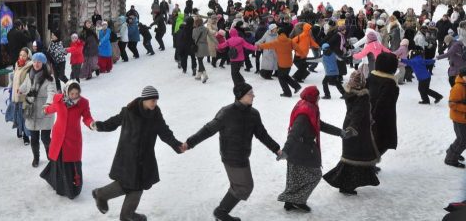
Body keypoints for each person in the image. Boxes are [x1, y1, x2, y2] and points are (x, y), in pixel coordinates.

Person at [184, 83, 281, 221]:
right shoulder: (226, 112)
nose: (253, 95)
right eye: (250, 93)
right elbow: (208, 129)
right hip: (230, 156)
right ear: (240, 95)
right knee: (244, 186)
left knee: (240, 185)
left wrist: (276, 149)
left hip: (243, 155)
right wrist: (190, 143)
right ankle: (221, 212)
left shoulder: (254, 114)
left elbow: (262, 134)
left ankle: (221, 212)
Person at [91, 86, 184, 221]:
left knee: (132, 184)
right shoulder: (129, 111)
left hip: (145, 157)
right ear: (144, 99)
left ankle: (102, 195)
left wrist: (176, 145)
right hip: (128, 156)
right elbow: (114, 122)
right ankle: (126, 214)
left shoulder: (155, 114)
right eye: (152, 100)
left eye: (156, 100)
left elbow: (164, 131)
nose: (154, 103)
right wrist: (99, 126)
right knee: (135, 185)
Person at [277, 86, 348, 212]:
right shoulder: (305, 113)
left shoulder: (307, 107)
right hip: (300, 150)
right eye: (317, 96)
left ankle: (290, 201)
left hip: (299, 150)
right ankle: (297, 200)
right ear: (313, 97)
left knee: (294, 178)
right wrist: (286, 150)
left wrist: (339, 132)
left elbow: (320, 124)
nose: (319, 98)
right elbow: (294, 133)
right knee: (315, 175)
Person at [323, 67, 380, 195]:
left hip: (352, 129)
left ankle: (347, 184)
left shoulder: (351, 94)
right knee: (353, 159)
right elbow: (357, 114)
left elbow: (358, 114)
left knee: (352, 158)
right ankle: (346, 185)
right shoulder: (362, 98)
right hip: (356, 132)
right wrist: (352, 129)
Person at [41, 80, 95, 198]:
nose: (75, 96)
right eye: (72, 94)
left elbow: (87, 117)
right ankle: (59, 185)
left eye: (77, 93)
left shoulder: (83, 103)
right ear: (66, 92)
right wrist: (46, 109)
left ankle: (71, 188)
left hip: (72, 138)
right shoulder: (59, 100)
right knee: (59, 160)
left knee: (71, 161)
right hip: (58, 136)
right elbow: (53, 108)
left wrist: (91, 124)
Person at [19, 52, 56, 168]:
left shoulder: (49, 77)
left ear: (43, 63)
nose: (36, 64)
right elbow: (25, 86)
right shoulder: (29, 74)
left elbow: (52, 92)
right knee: (34, 138)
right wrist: (20, 90)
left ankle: (51, 157)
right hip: (32, 110)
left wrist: (49, 103)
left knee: (45, 138)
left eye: (39, 62)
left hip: (44, 111)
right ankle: (36, 158)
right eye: (34, 61)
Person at [367, 52, 399, 163]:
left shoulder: (372, 76)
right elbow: (383, 103)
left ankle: (369, 163)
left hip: (368, 114)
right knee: (382, 143)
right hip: (382, 119)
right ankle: (369, 164)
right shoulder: (390, 83)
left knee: (372, 141)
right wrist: (375, 118)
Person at [258, 30, 301, 97]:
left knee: (281, 78)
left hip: (281, 64)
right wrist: (303, 55)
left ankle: (287, 93)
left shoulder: (276, 42)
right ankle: (296, 86)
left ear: (278, 34)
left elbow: (267, 45)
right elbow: (298, 48)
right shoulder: (290, 41)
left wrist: (259, 46)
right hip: (289, 63)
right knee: (285, 76)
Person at [445, 67, 466, 168]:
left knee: (461, 138)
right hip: (459, 118)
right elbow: (452, 104)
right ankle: (450, 159)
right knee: (463, 140)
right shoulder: (458, 87)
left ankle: (451, 151)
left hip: (463, 118)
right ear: (463, 76)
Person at [192, 17, 209, 83]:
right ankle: (199, 75)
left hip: (198, 47)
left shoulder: (194, 30)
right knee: (200, 60)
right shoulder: (206, 29)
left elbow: (193, 37)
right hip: (205, 46)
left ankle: (205, 75)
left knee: (200, 61)